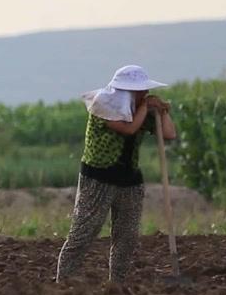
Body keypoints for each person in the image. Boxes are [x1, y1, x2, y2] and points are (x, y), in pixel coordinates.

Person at [55, 65, 176, 283]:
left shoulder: (139, 108)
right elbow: (128, 128)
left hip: (129, 179)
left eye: (144, 91)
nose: (144, 94)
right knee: (84, 232)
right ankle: (64, 282)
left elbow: (169, 134)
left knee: (127, 236)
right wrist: (144, 107)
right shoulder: (104, 105)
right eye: (139, 91)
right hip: (99, 178)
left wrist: (162, 111)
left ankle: (118, 284)